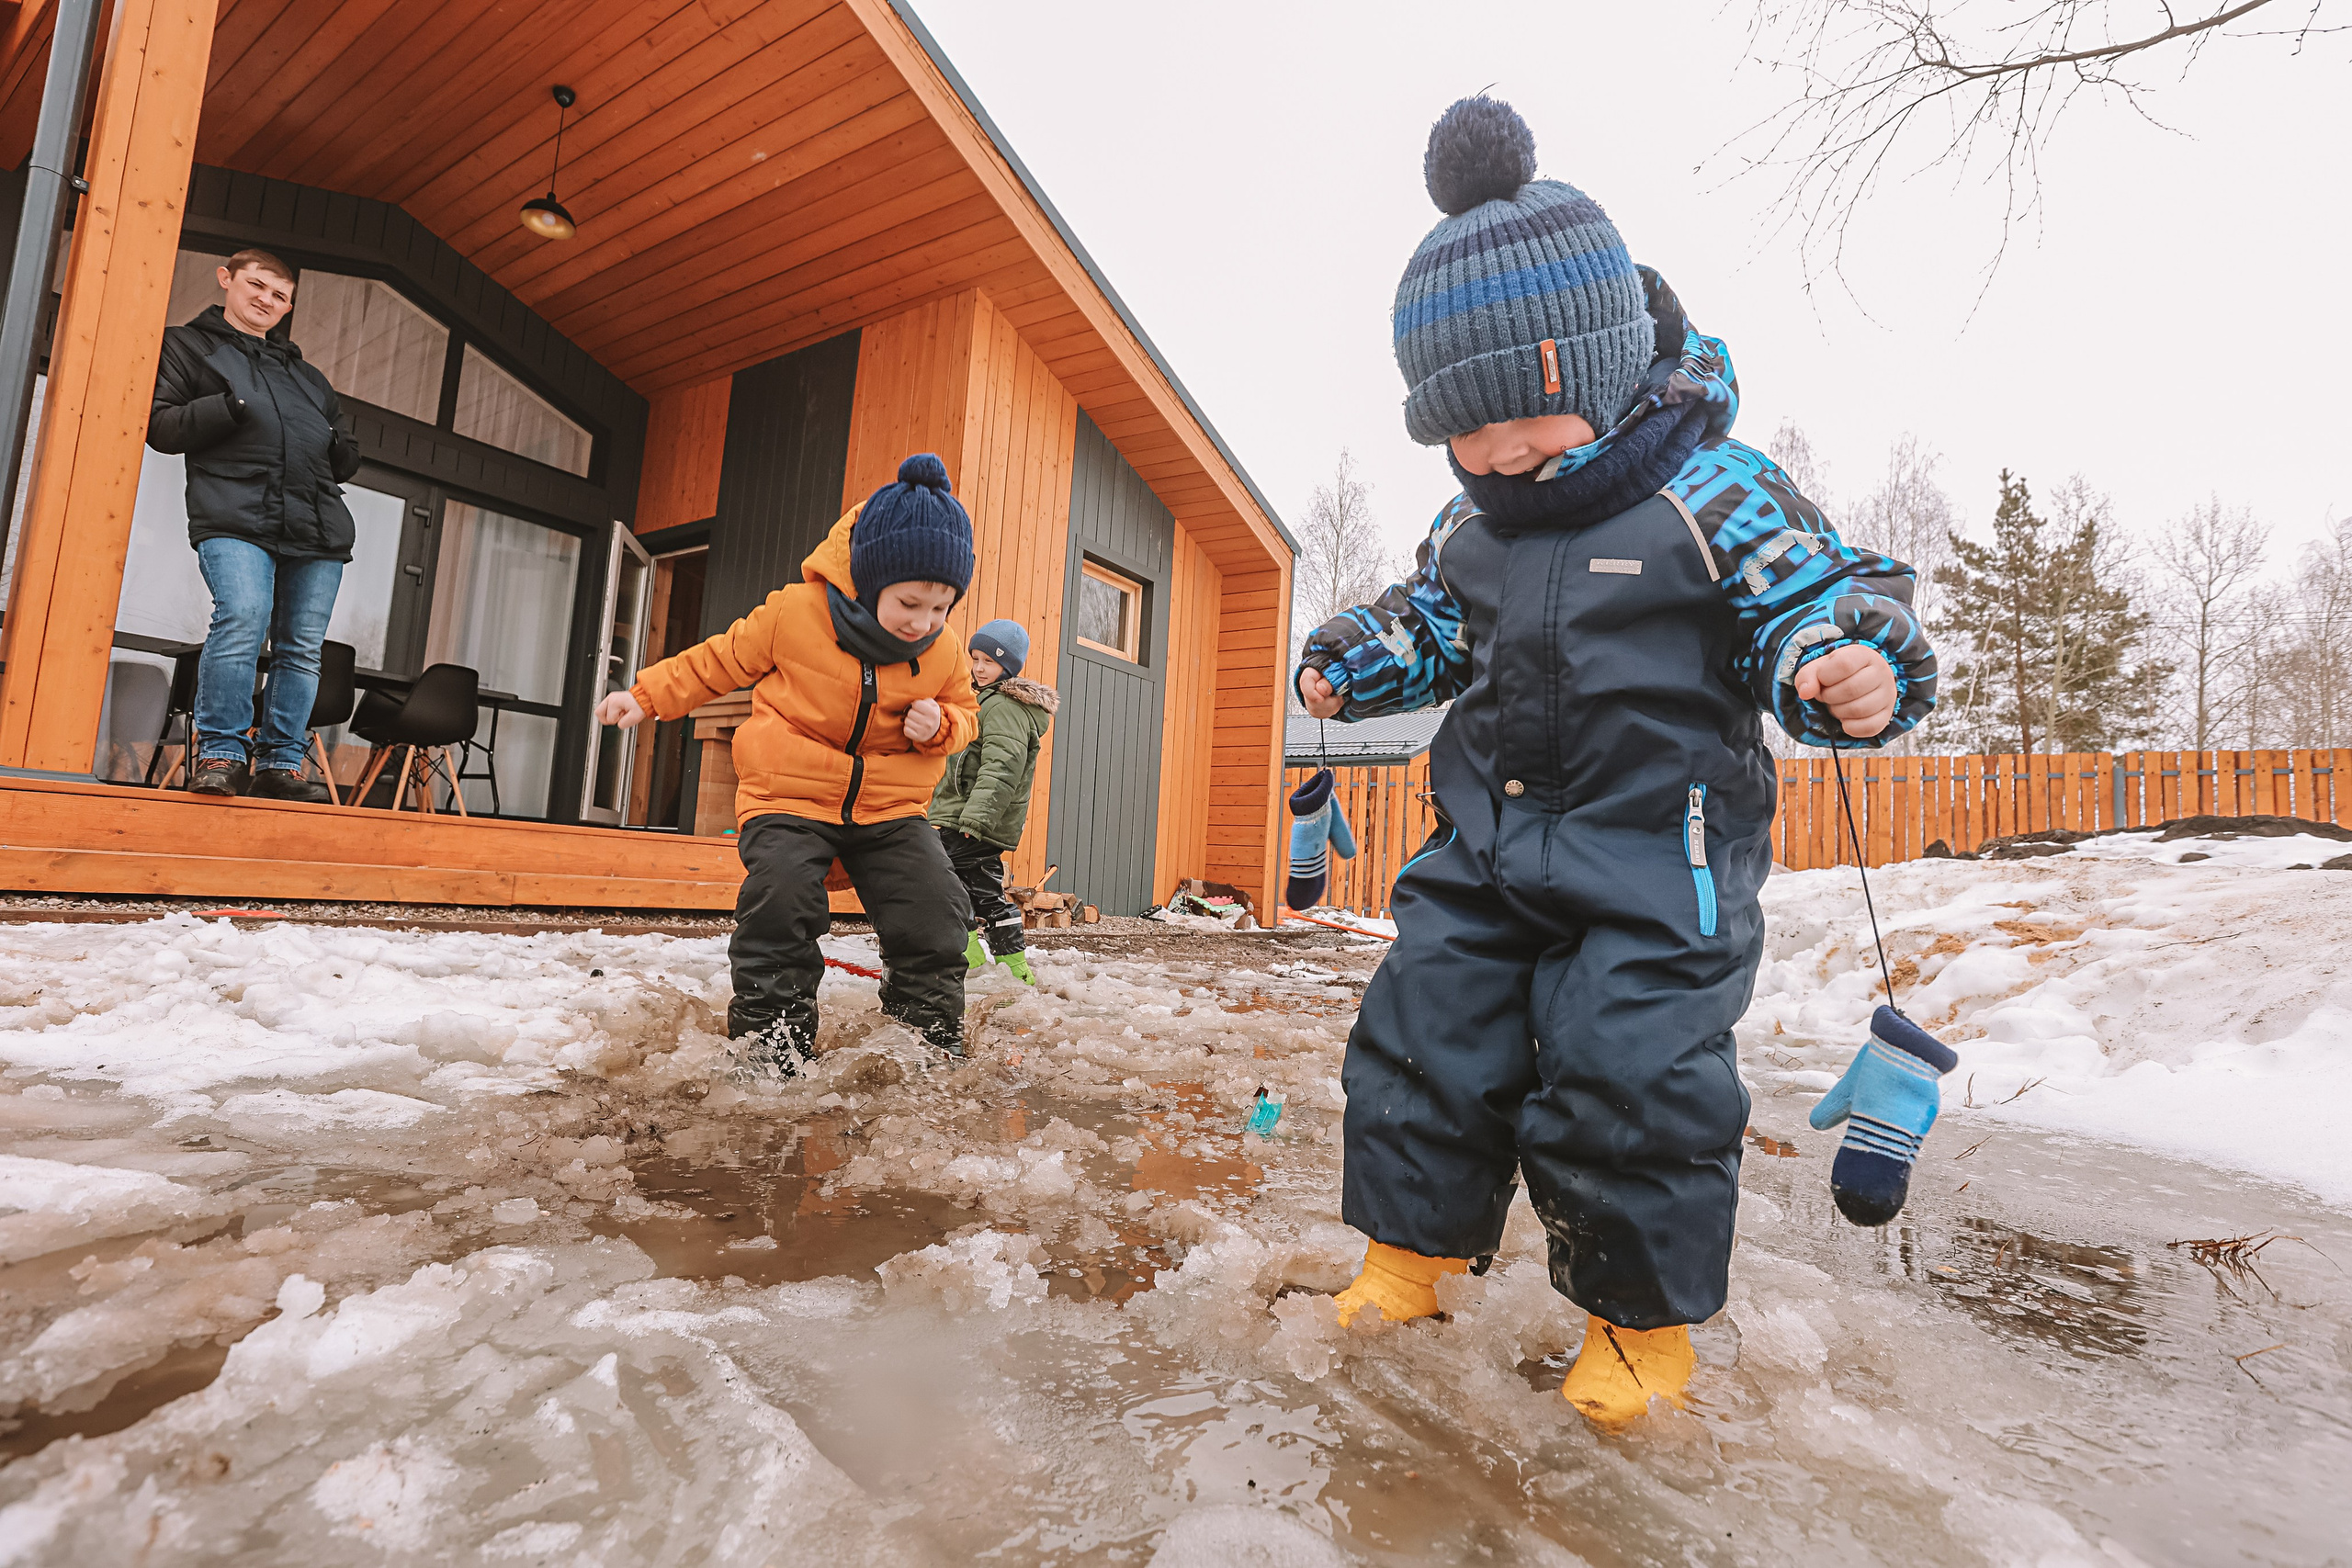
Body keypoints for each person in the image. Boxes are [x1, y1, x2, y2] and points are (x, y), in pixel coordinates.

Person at [1294, 99, 1939, 1428]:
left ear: (1597, 364)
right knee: (1424, 1037)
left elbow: (1816, 597)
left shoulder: (1714, 492)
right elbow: (1427, 623)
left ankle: (1638, 1329)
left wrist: (1846, 660)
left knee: (1628, 1079)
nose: (1502, 457)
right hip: (1480, 855)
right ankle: (1407, 1259)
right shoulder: (1469, 521)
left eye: (1530, 422)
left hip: (1662, 868)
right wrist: (1355, 654)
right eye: (1469, 436)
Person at [595, 454, 981, 1071]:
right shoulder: (795, 612)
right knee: (779, 901)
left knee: (937, 906)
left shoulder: (945, 650)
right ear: (871, 575)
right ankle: (771, 1048)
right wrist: (644, 696)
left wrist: (942, 727)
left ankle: (925, 1044)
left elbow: (968, 715)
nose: (924, 622)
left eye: (941, 608)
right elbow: (716, 661)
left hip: (888, 806)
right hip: (790, 795)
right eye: (910, 602)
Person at [146, 249, 359, 801]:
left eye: (280, 296)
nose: (267, 300)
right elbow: (162, 427)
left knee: (302, 648)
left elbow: (342, 448)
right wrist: (229, 407)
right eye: (257, 286)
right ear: (227, 279)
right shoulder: (187, 346)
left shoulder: (307, 376)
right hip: (235, 514)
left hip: (317, 527)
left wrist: (339, 448)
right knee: (241, 620)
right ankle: (220, 753)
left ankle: (282, 763)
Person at [927, 618, 1057, 986]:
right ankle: (1015, 970)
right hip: (965, 815)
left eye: (989, 661)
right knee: (980, 888)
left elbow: (1002, 769)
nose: (979, 668)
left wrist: (976, 820)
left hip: (973, 820)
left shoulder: (1004, 707)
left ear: (1008, 666)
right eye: (976, 658)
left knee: (937, 877)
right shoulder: (981, 700)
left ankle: (968, 953)